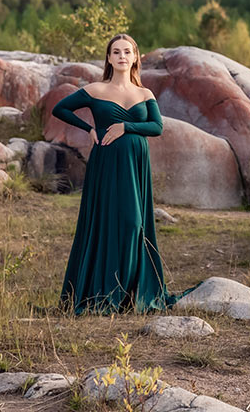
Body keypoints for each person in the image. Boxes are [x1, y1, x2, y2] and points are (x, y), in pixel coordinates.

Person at [50, 33, 182, 313]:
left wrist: (126, 127)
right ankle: (106, 291)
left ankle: (131, 293)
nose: (122, 56)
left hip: (135, 164)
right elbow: (60, 108)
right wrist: (89, 129)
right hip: (107, 163)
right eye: (116, 52)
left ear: (135, 57)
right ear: (109, 58)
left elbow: (156, 128)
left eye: (127, 52)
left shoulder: (145, 94)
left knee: (135, 223)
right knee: (106, 222)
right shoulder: (96, 89)